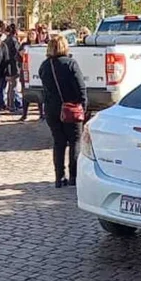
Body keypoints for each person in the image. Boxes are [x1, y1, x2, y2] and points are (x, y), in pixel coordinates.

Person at [38, 34, 87, 187]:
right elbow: (81, 88)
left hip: (52, 109)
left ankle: (59, 177)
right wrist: (83, 107)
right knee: (75, 142)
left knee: (59, 143)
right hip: (70, 107)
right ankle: (74, 176)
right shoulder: (71, 64)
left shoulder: (45, 66)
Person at [4, 24, 22, 113]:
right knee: (13, 86)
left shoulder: (6, 40)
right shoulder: (13, 40)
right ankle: (11, 105)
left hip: (8, 65)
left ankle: (9, 104)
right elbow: (18, 52)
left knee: (11, 86)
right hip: (13, 65)